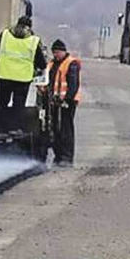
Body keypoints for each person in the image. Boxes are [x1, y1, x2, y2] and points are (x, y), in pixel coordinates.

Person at [0, 15, 46, 133]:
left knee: (1, 101)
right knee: (18, 104)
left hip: (4, 75)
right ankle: (15, 128)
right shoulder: (33, 41)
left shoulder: (5, 35)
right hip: (22, 78)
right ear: (29, 27)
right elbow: (42, 63)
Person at [48, 38, 81, 167]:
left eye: (57, 52)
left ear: (63, 51)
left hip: (68, 102)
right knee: (55, 129)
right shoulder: (51, 64)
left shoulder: (71, 64)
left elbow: (73, 84)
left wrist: (67, 99)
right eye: (54, 52)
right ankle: (58, 156)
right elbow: (48, 81)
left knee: (66, 129)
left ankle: (67, 157)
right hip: (55, 102)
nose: (55, 55)